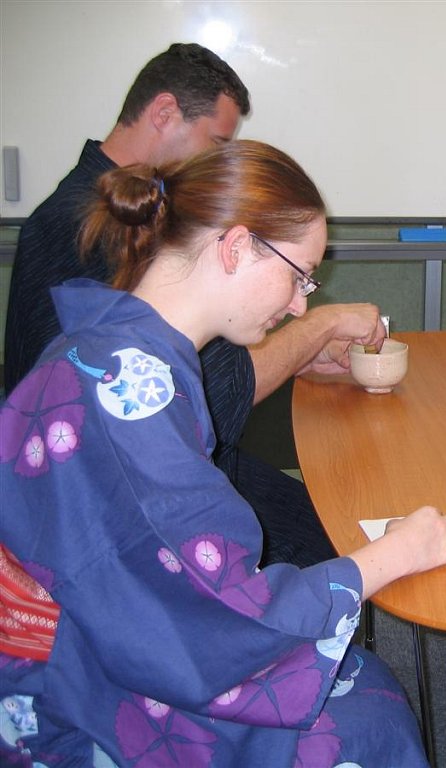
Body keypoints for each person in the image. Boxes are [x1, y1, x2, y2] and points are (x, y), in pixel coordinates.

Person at [0, 139, 446, 766]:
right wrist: (385, 559)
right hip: (77, 689)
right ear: (235, 248)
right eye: (299, 275)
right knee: (367, 725)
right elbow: (220, 615)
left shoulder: (114, 345)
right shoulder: (134, 400)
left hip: (94, 630)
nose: (299, 303)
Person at [2, 42, 381, 570]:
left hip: (146, 471)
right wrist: (319, 326)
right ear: (163, 113)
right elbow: (216, 395)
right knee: (332, 542)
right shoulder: (88, 227)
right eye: (217, 142)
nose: (215, 163)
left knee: (327, 519)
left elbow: (203, 360)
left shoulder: (124, 211)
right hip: (107, 512)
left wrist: (299, 351)